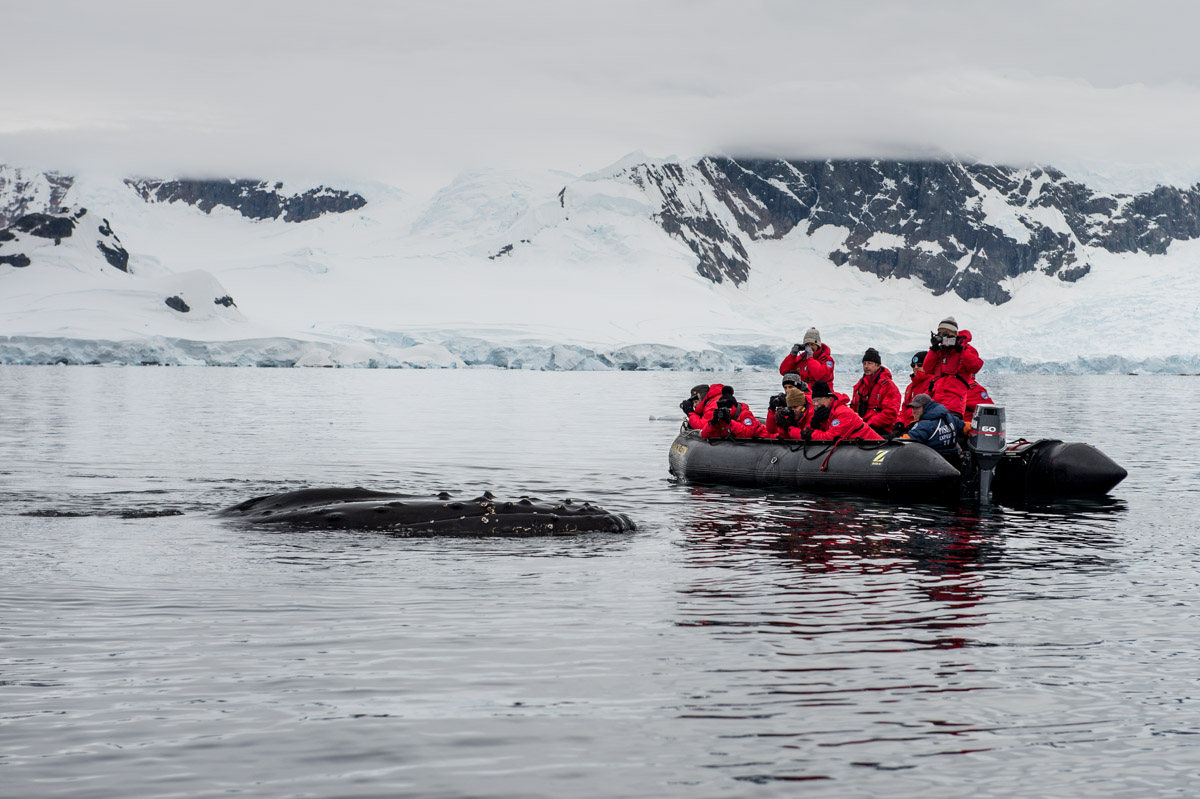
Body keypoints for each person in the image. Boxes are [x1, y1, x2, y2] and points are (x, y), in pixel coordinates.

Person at [922, 316, 983, 419]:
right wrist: (933, 349)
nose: (943, 336)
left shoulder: (966, 349)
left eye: (946, 333)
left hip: (954, 405)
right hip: (937, 401)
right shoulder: (940, 352)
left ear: (955, 334)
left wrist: (960, 350)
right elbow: (927, 368)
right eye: (940, 333)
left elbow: (975, 366)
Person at [799, 381, 883, 441]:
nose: (816, 404)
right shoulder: (824, 412)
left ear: (829, 398)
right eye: (813, 401)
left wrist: (811, 435)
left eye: (819, 400)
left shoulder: (843, 412)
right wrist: (814, 424)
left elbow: (831, 438)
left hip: (872, 446)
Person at [899, 393, 964, 464]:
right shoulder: (949, 417)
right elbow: (966, 428)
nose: (914, 411)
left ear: (927, 407)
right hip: (954, 459)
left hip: (933, 462)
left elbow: (904, 442)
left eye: (917, 408)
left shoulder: (924, 425)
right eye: (913, 408)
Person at [850, 348, 901, 436]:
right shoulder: (860, 385)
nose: (866, 366)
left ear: (878, 366)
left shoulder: (888, 386)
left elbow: (890, 413)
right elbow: (853, 406)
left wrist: (869, 423)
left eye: (870, 363)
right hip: (862, 425)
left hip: (881, 428)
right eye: (864, 363)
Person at [701, 386, 768, 439]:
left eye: (727, 410)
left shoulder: (745, 414)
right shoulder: (722, 420)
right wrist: (713, 422)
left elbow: (748, 434)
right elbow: (704, 435)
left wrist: (730, 421)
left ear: (733, 407)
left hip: (765, 438)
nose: (725, 412)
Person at [902, 352, 933, 427]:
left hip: (922, 425)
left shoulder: (933, 383)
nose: (915, 367)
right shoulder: (910, 387)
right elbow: (904, 408)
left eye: (919, 365)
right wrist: (900, 422)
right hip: (908, 424)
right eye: (913, 365)